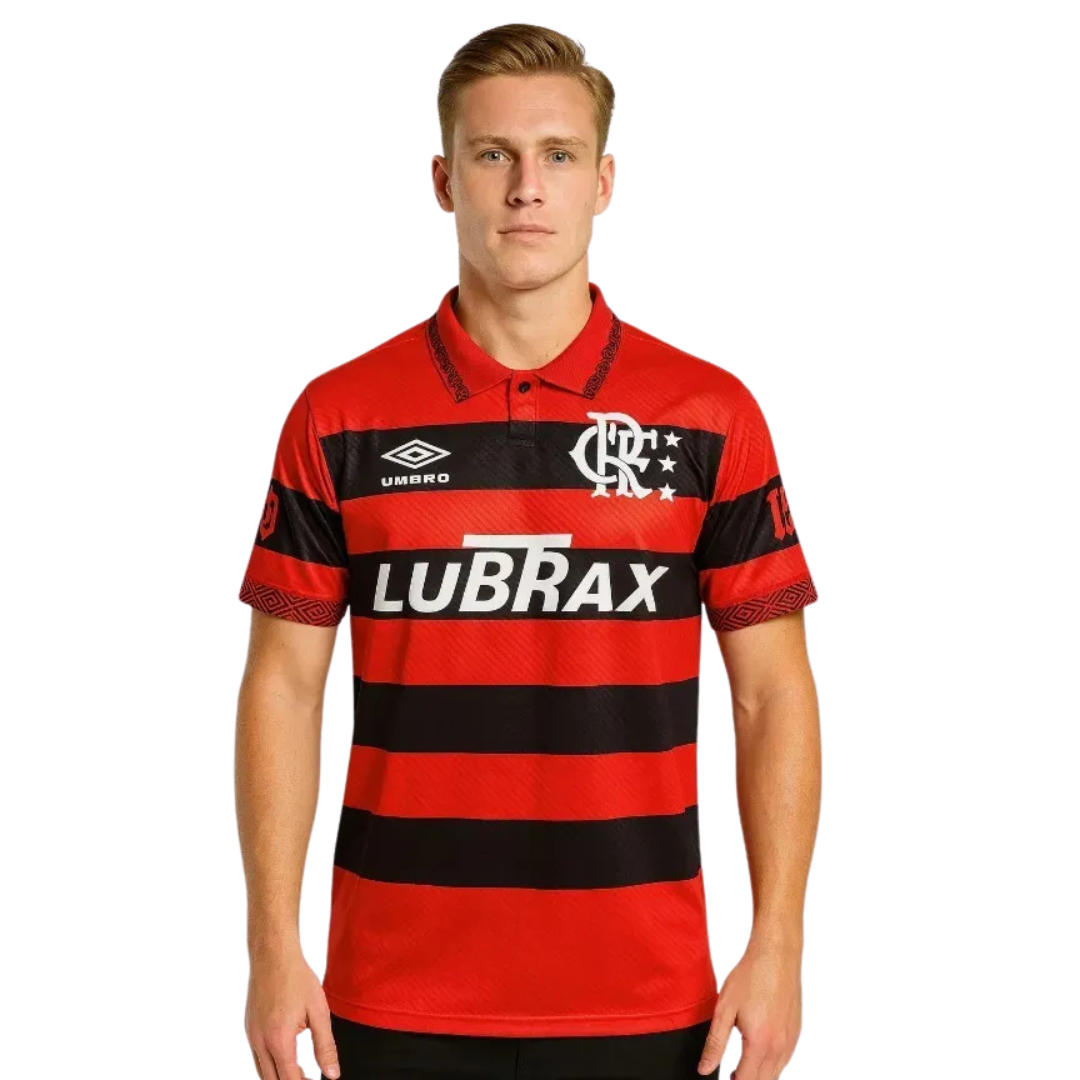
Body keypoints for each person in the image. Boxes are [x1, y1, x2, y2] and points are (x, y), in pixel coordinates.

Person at [235, 22, 821, 1080]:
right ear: (442, 179)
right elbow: (283, 688)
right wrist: (272, 949)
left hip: (646, 1000)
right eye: (492, 154)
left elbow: (771, 694)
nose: (525, 189)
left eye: (557, 154)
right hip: (390, 994)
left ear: (603, 182)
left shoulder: (709, 416)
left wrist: (779, 945)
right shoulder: (339, 418)